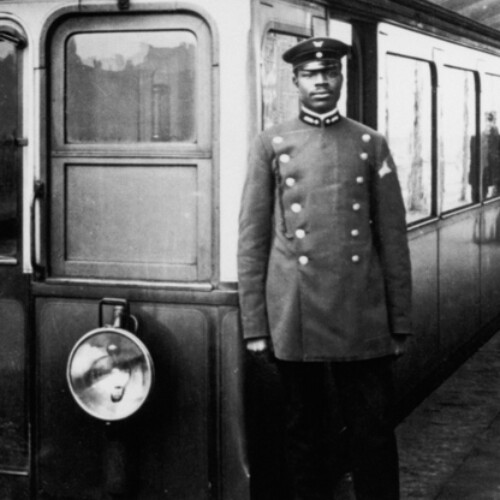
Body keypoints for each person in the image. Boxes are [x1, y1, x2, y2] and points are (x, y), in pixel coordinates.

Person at [237, 37, 412, 500]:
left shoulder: (369, 143)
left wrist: (399, 322)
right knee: (304, 433)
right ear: (295, 81)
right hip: (298, 312)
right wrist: (256, 324)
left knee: (372, 432)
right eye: (311, 74)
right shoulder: (270, 144)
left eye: (330, 73)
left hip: (362, 312)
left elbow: (392, 239)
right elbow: (252, 239)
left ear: (341, 79)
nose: (321, 81)